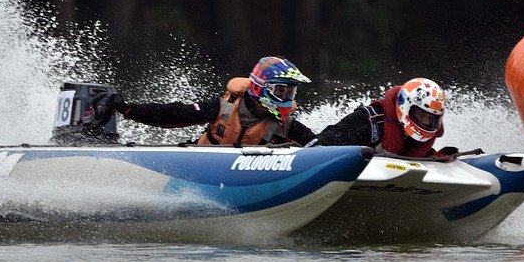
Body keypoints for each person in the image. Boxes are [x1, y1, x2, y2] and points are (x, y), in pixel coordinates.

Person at [102, 56, 317, 146]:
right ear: (260, 87)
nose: (286, 98)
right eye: (281, 91)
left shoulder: (285, 124)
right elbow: (175, 114)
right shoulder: (224, 107)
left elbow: (317, 144)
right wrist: (129, 109)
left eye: (290, 92)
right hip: (200, 170)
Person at [307, 77, 456, 158]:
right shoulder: (370, 120)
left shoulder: (420, 138)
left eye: (431, 119)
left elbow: (408, 156)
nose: (425, 122)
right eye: (422, 115)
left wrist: (434, 157)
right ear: (405, 106)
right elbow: (329, 139)